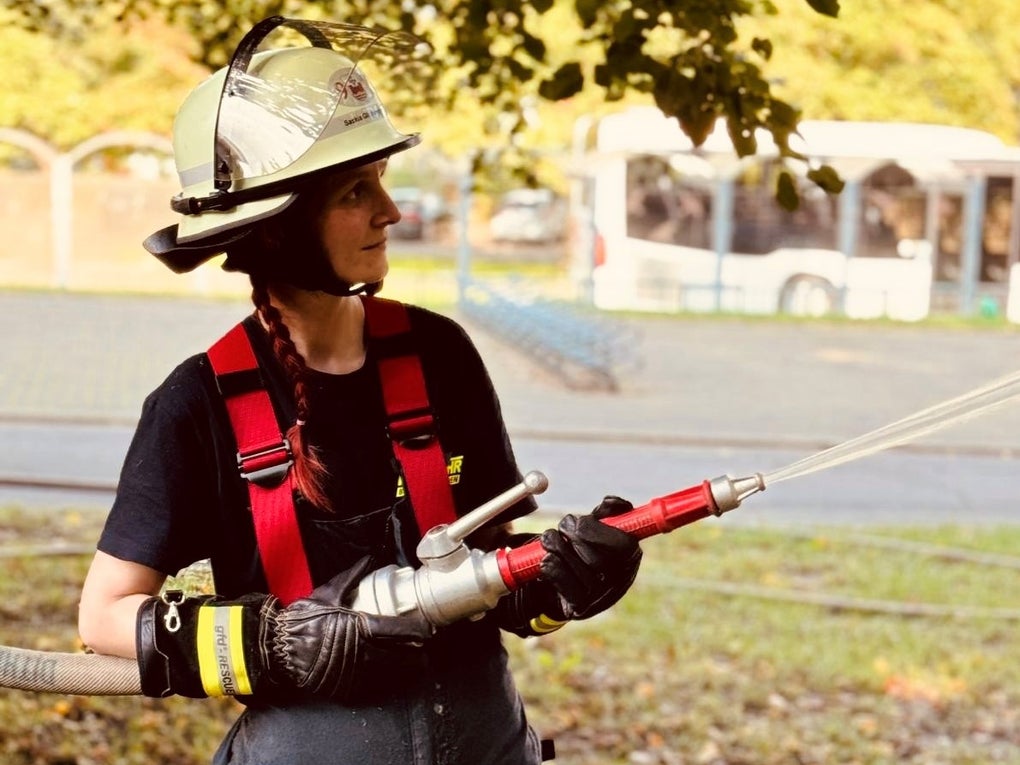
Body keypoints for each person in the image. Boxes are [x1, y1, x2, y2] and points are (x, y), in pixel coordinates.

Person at [77, 16, 642, 765]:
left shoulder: (439, 354)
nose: (392, 210)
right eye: (355, 189)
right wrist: (271, 640)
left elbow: (491, 569)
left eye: (380, 179)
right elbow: (105, 616)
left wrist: (560, 579)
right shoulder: (200, 404)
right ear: (274, 227)